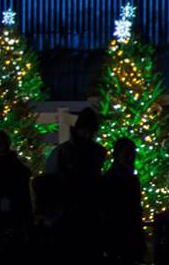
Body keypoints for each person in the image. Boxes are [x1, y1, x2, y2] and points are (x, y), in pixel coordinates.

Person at [47, 106, 108, 263]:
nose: (88, 135)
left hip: (85, 215)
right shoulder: (66, 152)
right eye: (85, 130)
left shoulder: (92, 153)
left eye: (91, 131)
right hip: (71, 215)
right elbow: (51, 183)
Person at [0, 129, 35, 264]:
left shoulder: (17, 168)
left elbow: (24, 197)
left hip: (13, 218)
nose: (1, 147)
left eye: (3, 143)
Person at [101, 137, 145, 263]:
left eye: (132, 154)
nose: (131, 158)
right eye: (128, 154)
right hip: (118, 234)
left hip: (124, 235)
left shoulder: (128, 178)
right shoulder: (113, 179)